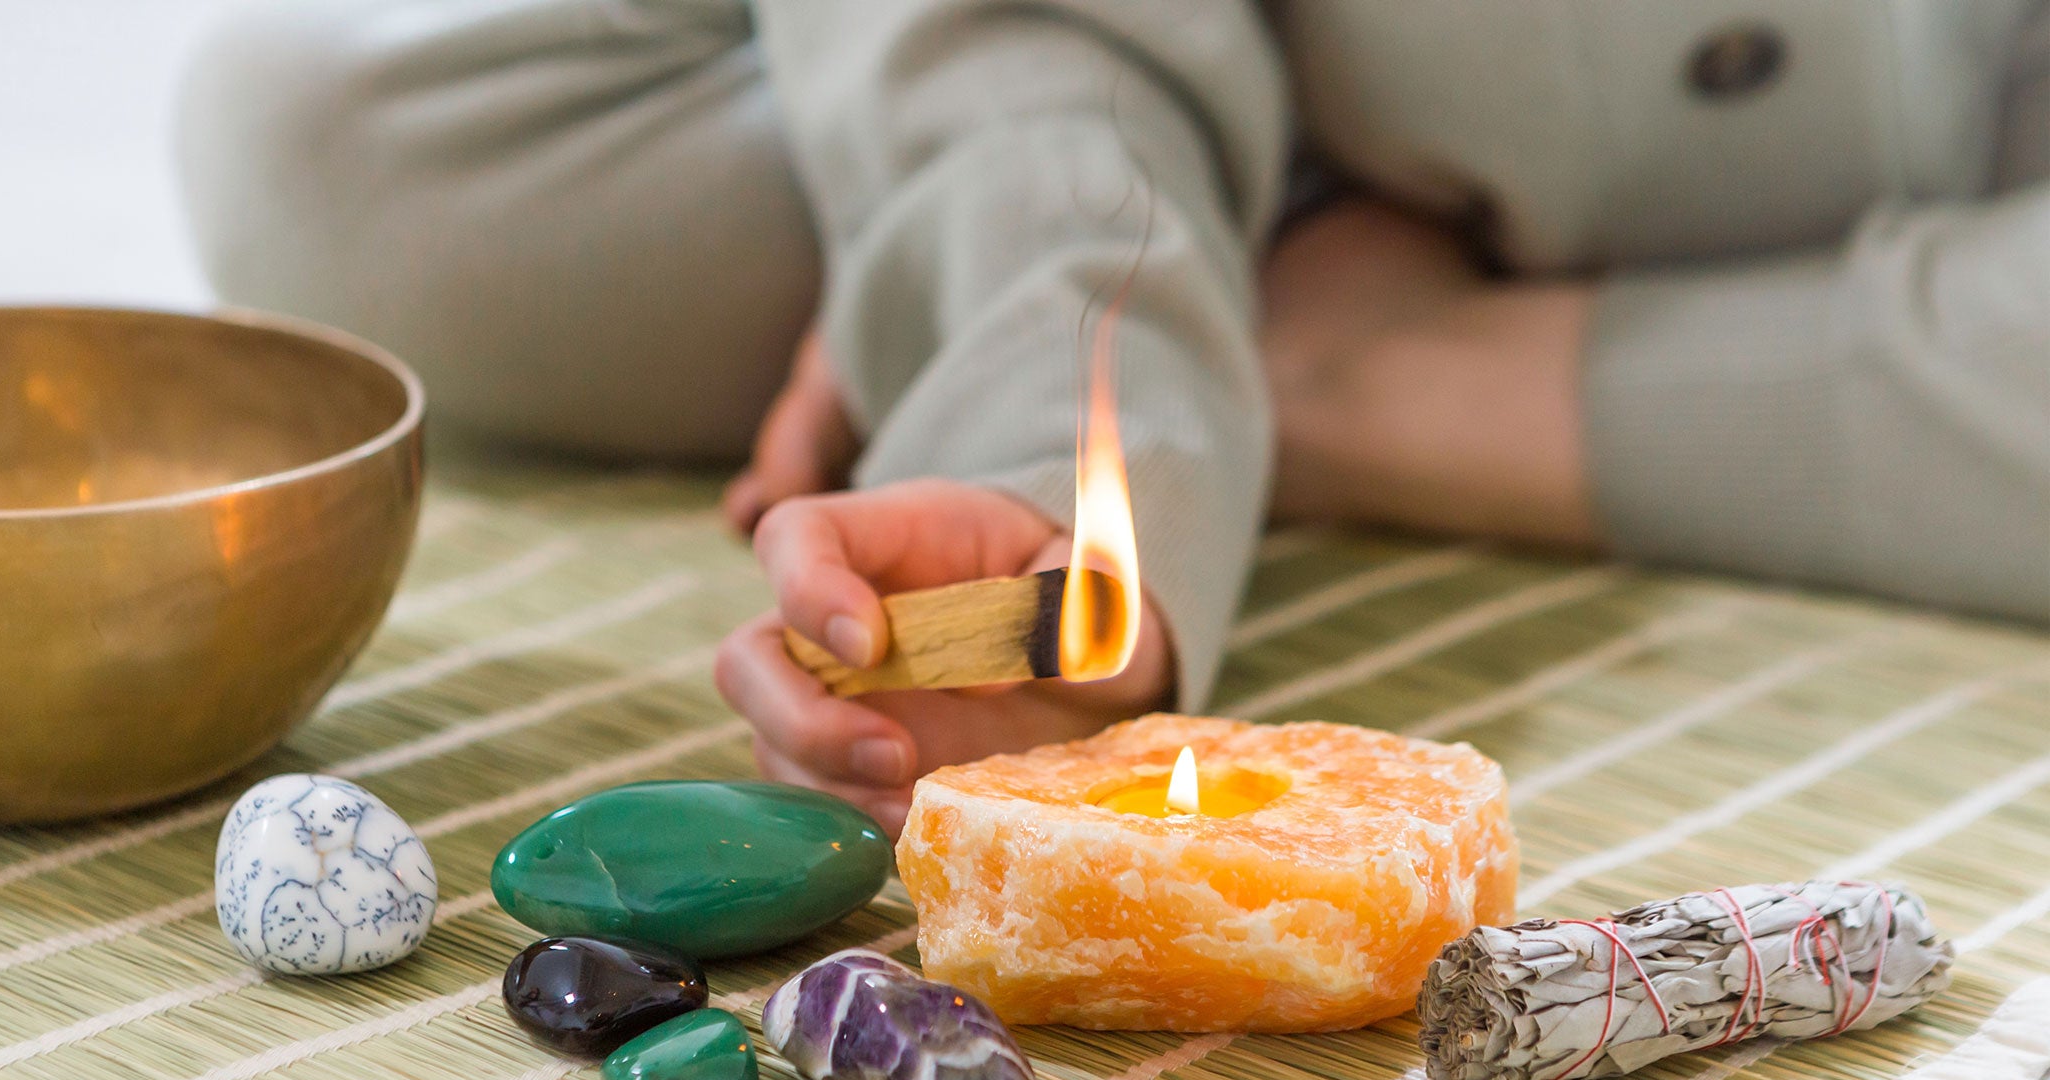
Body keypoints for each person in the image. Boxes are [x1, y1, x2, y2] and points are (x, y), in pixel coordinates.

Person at [178, 0, 2050, 832]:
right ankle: (1234, 256)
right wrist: (1039, 428)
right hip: (1205, 74)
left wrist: (1369, 375)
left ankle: (1354, 369)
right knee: (331, 143)